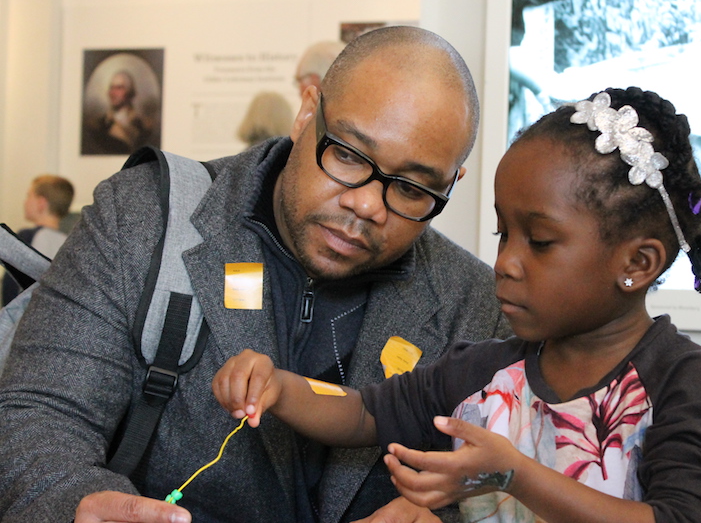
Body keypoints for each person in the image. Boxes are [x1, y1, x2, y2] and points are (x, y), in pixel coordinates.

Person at [0, 26, 511, 523]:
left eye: (411, 189)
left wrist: (448, 516)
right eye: (349, 156)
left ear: (451, 182)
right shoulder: (141, 219)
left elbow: (512, 477)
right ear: (307, 111)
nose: (366, 204)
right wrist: (78, 500)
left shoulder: (476, 304)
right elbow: (38, 411)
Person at [213, 87, 701, 523]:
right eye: (503, 235)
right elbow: (362, 412)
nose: (506, 263)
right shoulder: (487, 371)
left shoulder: (686, 389)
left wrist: (512, 474)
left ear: (636, 264)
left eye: (539, 242)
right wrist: (281, 388)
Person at [1, 175, 74, 306]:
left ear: (41, 203)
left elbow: (12, 289)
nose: (25, 201)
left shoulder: (27, 236)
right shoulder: (70, 242)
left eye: (29, 196)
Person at [82, 69, 154, 154]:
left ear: (130, 92)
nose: (113, 93)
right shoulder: (98, 125)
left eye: (119, 88)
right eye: (111, 88)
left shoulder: (144, 125)